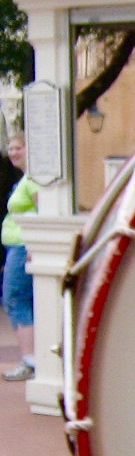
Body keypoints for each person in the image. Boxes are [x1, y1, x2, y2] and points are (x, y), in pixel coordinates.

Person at [2, 134, 36, 382]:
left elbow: (43, 210)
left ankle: (30, 360)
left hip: (24, 247)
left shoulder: (33, 179)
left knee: (15, 299)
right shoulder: (24, 178)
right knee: (24, 301)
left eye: (18, 148)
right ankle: (33, 358)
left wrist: (34, 245)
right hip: (17, 246)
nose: (13, 153)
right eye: (11, 148)